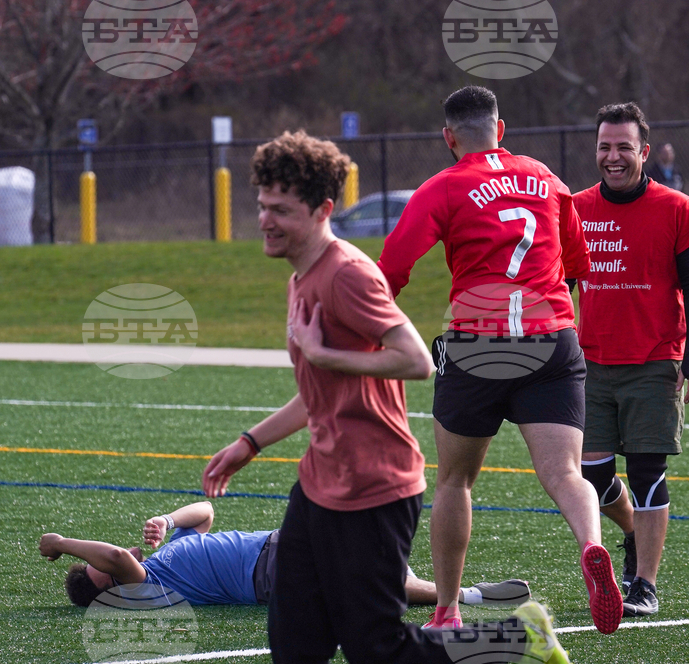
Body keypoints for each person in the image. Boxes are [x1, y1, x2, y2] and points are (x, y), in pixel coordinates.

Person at [198, 130, 570, 664]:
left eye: (281, 209)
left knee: (377, 649)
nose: (265, 220)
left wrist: (328, 356)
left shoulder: (347, 274)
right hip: (320, 483)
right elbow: (318, 392)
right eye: (261, 206)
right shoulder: (299, 276)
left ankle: (518, 639)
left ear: (323, 209)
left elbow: (415, 359)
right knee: (295, 643)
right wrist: (250, 442)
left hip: (375, 488)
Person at [377, 85, 622, 635]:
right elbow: (577, 259)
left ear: (449, 137)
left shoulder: (443, 187)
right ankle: (590, 544)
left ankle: (446, 610)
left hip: (479, 342)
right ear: (501, 129)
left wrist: (371, 322)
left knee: (455, 483)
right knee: (564, 473)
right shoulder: (546, 177)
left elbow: (394, 263)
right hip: (552, 337)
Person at [574, 103, 689, 618]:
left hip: (656, 360)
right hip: (589, 364)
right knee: (592, 476)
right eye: (605, 147)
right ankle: (630, 534)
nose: (613, 157)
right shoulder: (576, 207)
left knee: (648, 471)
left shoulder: (677, 208)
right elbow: (559, 283)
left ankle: (645, 588)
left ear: (644, 152)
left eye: (624, 147)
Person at [39, 500, 532, 609]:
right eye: (99, 568)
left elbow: (205, 512)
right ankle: (464, 597)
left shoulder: (165, 560)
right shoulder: (142, 583)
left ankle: (457, 595)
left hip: (278, 548)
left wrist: (168, 521)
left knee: (373, 555)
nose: (108, 556)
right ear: (109, 585)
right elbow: (111, 556)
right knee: (372, 577)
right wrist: (60, 545)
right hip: (272, 569)